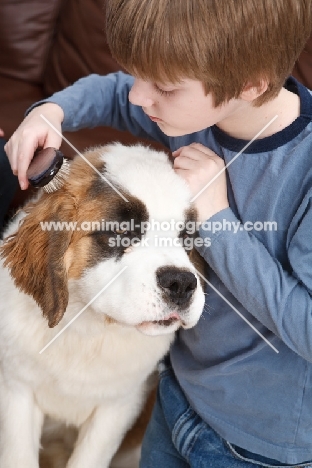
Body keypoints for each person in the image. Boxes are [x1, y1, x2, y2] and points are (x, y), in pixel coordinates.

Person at [4, 0, 312, 466]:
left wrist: (215, 217)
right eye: (138, 76)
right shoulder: (194, 110)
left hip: (255, 441)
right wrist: (53, 111)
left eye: (163, 87)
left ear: (250, 84)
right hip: (177, 397)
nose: (138, 98)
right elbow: (113, 93)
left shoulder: (303, 172)